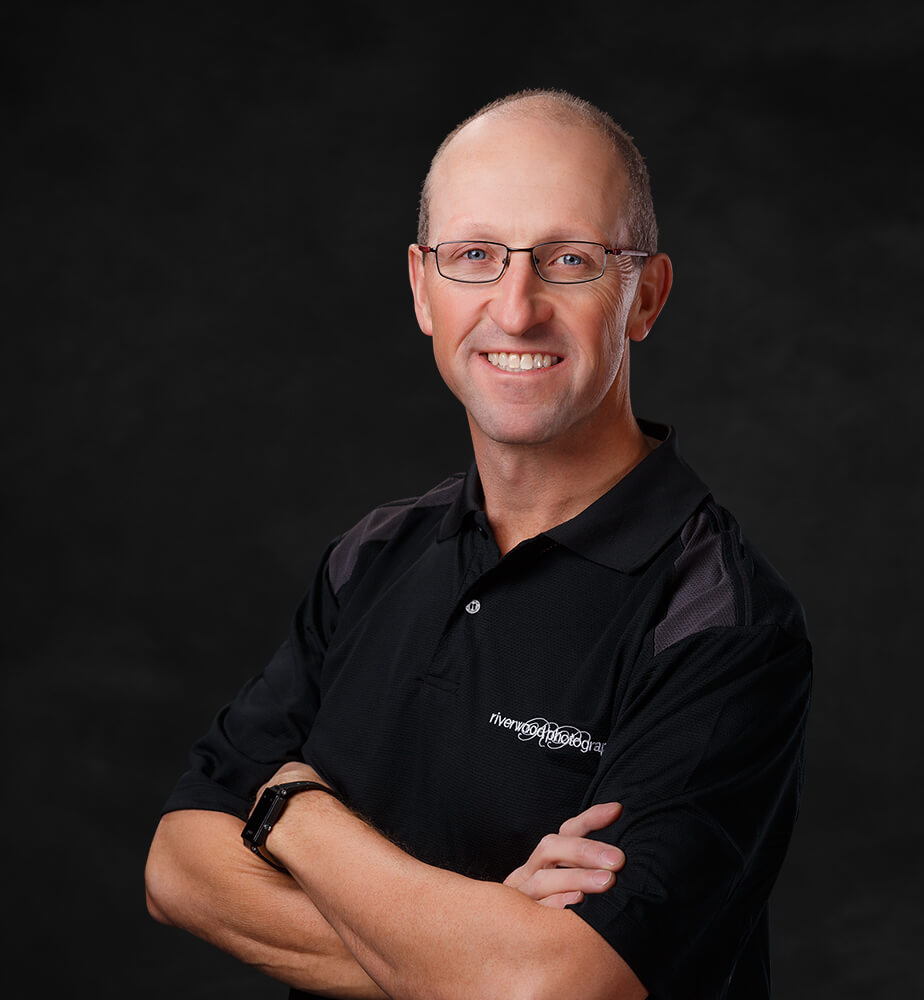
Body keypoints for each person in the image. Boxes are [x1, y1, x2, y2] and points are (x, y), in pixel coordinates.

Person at [145, 89, 812, 1000]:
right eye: (473, 256)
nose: (516, 307)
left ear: (645, 296)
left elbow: (559, 988)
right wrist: (475, 953)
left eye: (570, 260)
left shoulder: (721, 622)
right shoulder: (371, 556)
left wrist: (294, 814)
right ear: (422, 288)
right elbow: (178, 867)